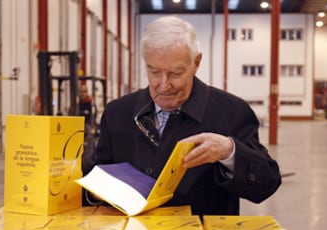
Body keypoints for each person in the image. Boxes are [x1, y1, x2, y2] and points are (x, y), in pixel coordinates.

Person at [83, 16, 281, 216]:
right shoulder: (118, 113)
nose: (164, 84)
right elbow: (93, 177)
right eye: (154, 72)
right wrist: (97, 190)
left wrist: (229, 151)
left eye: (176, 73)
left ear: (196, 62)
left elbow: (266, 184)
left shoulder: (232, 112)